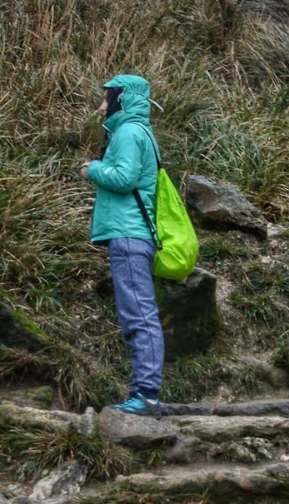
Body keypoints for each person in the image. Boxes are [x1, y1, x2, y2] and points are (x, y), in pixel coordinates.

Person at [80, 74, 164, 416]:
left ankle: (146, 396)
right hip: (133, 234)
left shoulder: (128, 132)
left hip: (129, 236)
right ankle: (144, 394)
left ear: (122, 99)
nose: (101, 106)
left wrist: (93, 169)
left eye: (107, 98)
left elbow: (124, 178)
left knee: (139, 316)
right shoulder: (136, 131)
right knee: (138, 314)